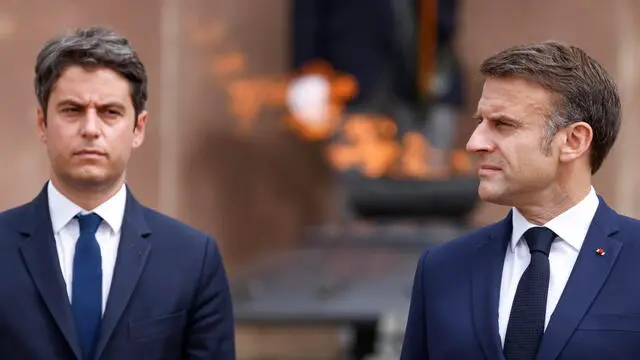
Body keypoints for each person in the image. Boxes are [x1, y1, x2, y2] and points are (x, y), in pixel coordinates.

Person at [0, 27, 235, 359]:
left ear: (138, 128)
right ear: (42, 124)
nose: (91, 129)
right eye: (72, 110)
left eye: (110, 112)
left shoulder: (193, 259)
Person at [401, 40, 640, 359]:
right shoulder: (442, 268)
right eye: (479, 123)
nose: (475, 143)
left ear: (573, 141)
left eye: (503, 124)